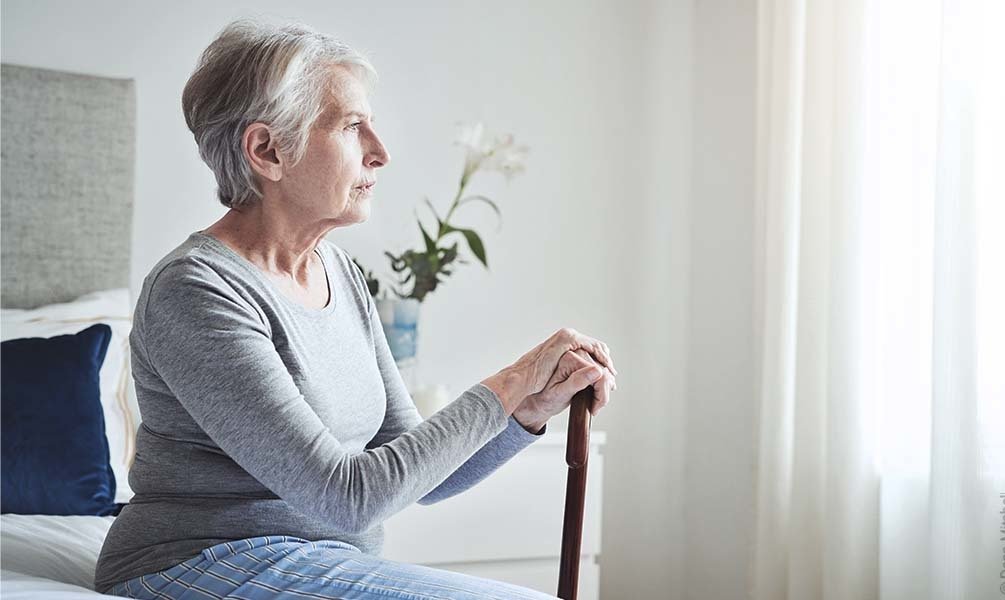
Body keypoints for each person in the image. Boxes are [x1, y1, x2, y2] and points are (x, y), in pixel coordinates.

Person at [93, 18, 618, 600]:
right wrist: (513, 379)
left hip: (318, 560)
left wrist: (529, 407)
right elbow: (347, 497)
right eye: (351, 127)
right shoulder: (196, 291)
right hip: (196, 561)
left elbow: (423, 479)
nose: (381, 152)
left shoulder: (338, 271)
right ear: (267, 150)